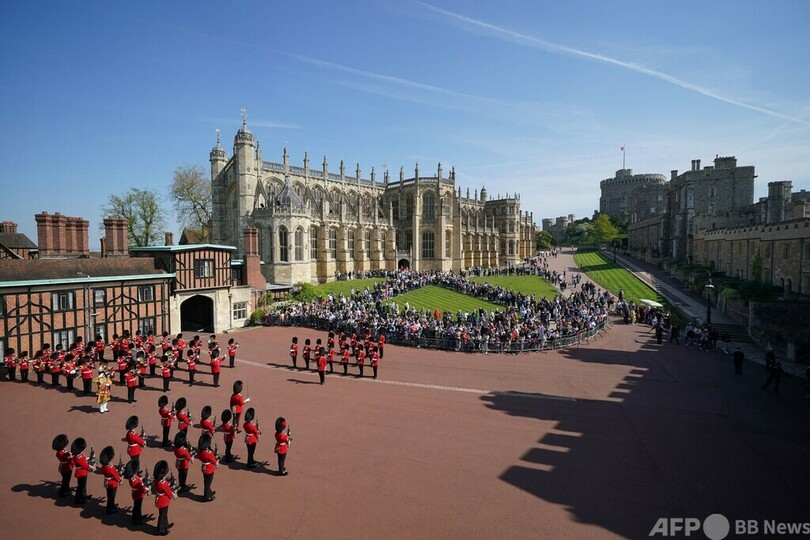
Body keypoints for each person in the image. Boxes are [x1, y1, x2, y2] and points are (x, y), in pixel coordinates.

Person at [153, 460, 176, 536]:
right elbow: (167, 490)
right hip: (163, 500)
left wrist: (169, 481)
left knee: (164, 514)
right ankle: (160, 530)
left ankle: (165, 525)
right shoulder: (161, 483)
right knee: (162, 515)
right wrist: (173, 495)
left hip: (162, 499)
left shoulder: (158, 480)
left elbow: (166, 484)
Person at [124, 459, 149, 526]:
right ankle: (136, 519)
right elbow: (140, 486)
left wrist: (144, 479)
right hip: (138, 494)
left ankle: (138, 516)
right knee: (137, 507)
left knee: (138, 506)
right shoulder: (134, 479)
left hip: (136, 493)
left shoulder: (133, 477)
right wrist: (146, 489)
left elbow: (140, 482)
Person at [71, 437, 95, 505]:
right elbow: (84, 465)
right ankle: (78, 499)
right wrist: (91, 467)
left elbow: (85, 459)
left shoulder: (79, 455)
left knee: (83, 485)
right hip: (81, 473)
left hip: (83, 472)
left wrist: (90, 457)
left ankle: (84, 496)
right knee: (80, 487)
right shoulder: (78, 457)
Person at [99, 446, 121, 515]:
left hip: (107, 482)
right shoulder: (109, 467)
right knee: (111, 496)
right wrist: (120, 478)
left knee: (110, 496)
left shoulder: (104, 466)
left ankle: (112, 506)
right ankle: (110, 509)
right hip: (112, 483)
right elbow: (115, 475)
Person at [197, 432, 218, 501]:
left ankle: (209, 492)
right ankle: (206, 496)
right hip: (209, 469)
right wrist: (216, 462)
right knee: (208, 483)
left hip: (204, 468)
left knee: (206, 481)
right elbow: (213, 460)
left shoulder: (201, 452)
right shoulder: (208, 453)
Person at [53, 434, 73, 498]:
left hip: (63, 467)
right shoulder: (64, 453)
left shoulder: (59, 452)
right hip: (67, 468)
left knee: (65, 480)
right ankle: (64, 492)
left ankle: (66, 489)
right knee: (66, 481)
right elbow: (70, 460)